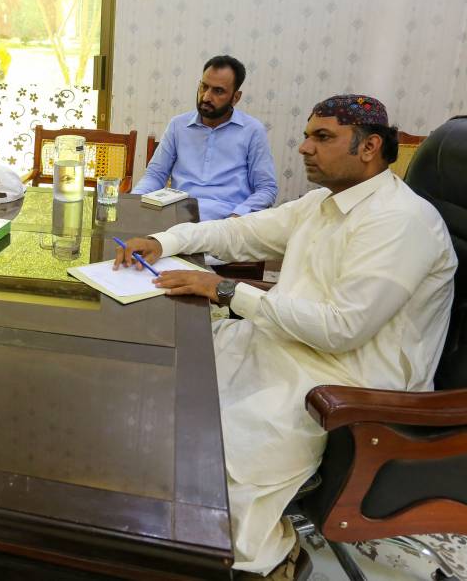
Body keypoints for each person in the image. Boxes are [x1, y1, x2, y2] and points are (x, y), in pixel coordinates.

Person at [115, 95, 456, 578]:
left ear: (369, 146)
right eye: (307, 134)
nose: (303, 148)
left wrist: (227, 290)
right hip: (285, 346)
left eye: (322, 137)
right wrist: (167, 242)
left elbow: (343, 328)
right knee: (166, 390)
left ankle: (264, 559)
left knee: (208, 460)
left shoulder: (402, 222)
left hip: (346, 385)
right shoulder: (323, 203)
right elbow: (243, 233)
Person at [132, 55, 278, 221]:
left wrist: (238, 216)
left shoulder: (253, 131)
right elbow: (155, 175)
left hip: (227, 222)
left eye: (218, 91)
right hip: (180, 219)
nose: (207, 97)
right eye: (204, 87)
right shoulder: (178, 125)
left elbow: (266, 189)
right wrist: (133, 201)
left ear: (236, 97)